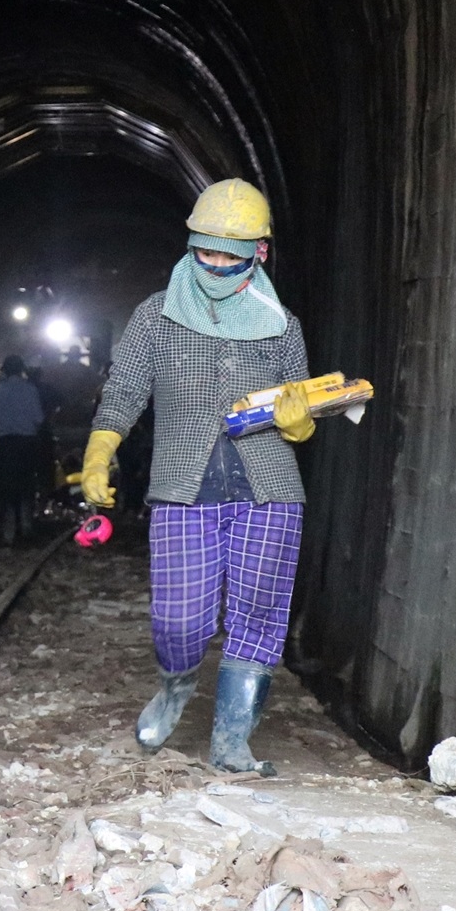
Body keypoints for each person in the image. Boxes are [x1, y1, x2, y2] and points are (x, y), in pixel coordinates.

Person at [80, 178, 311, 776]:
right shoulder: (155, 317)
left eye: (229, 255)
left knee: (259, 615)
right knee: (181, 620)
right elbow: (126, 390)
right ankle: (175, 686)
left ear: (259, 253)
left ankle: (233, 744)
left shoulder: (282, 325)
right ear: (190, 245)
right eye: (205, 251)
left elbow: (302, 408)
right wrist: (100, 451)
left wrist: (299, 424)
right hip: (184, 491)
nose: (215, 264)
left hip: (271, 492)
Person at [0, 356, 45, 544]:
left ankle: (8, 530)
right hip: (26, 443)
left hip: (4, 444)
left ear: (4, 371)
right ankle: (26, 525)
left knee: (6, 486)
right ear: (21, 370)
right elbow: (38, 418)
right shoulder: (30, 390)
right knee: (26, 485)